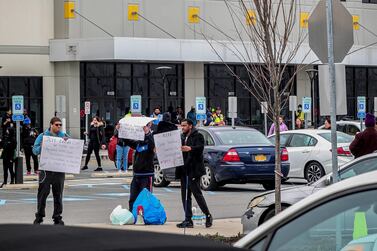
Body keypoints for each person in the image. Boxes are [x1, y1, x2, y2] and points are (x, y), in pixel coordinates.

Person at [176, 119, 212, 228]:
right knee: (185, 196)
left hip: (194, 169)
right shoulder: (182, 137)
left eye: (185, 125)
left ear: (190, 126)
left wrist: (190, 148)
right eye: (181, 125)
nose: (182, 127)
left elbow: (200, 148)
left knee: (197, 194)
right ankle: (188, 219)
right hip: (183, 169)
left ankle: (208, 215)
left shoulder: (198, 136)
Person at [32, 117, 67, 225]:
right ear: (51, 124)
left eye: (60, 125)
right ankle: (39, 216)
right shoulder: (42, 136)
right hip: (46, 170)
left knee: (58, 194)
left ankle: (57, 217)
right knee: (43, 194)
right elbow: (34, 150)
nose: (59, 127)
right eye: (56, 125)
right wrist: (41, 146)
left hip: (59, 170)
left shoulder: (64, 136)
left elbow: (71, 149)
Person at [122, 124, 155, 211]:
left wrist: (147, 133)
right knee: (133, 198)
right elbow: (127, 141)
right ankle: (132, 215)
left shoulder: (151, 140)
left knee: (146, 199)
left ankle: (145, 216)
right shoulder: (138, 143)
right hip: (137, 175)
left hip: (147, 175)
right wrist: (120, 131)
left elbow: (153, 145)